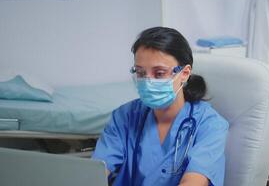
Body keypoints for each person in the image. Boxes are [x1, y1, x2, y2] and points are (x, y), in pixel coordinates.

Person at [92, 27, 229, 186]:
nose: (147, 81)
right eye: (141, 73)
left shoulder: (210, 125)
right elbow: (97, 171)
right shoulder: (124, 117)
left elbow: (194, 182)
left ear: (184, 74)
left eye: (159, 73)